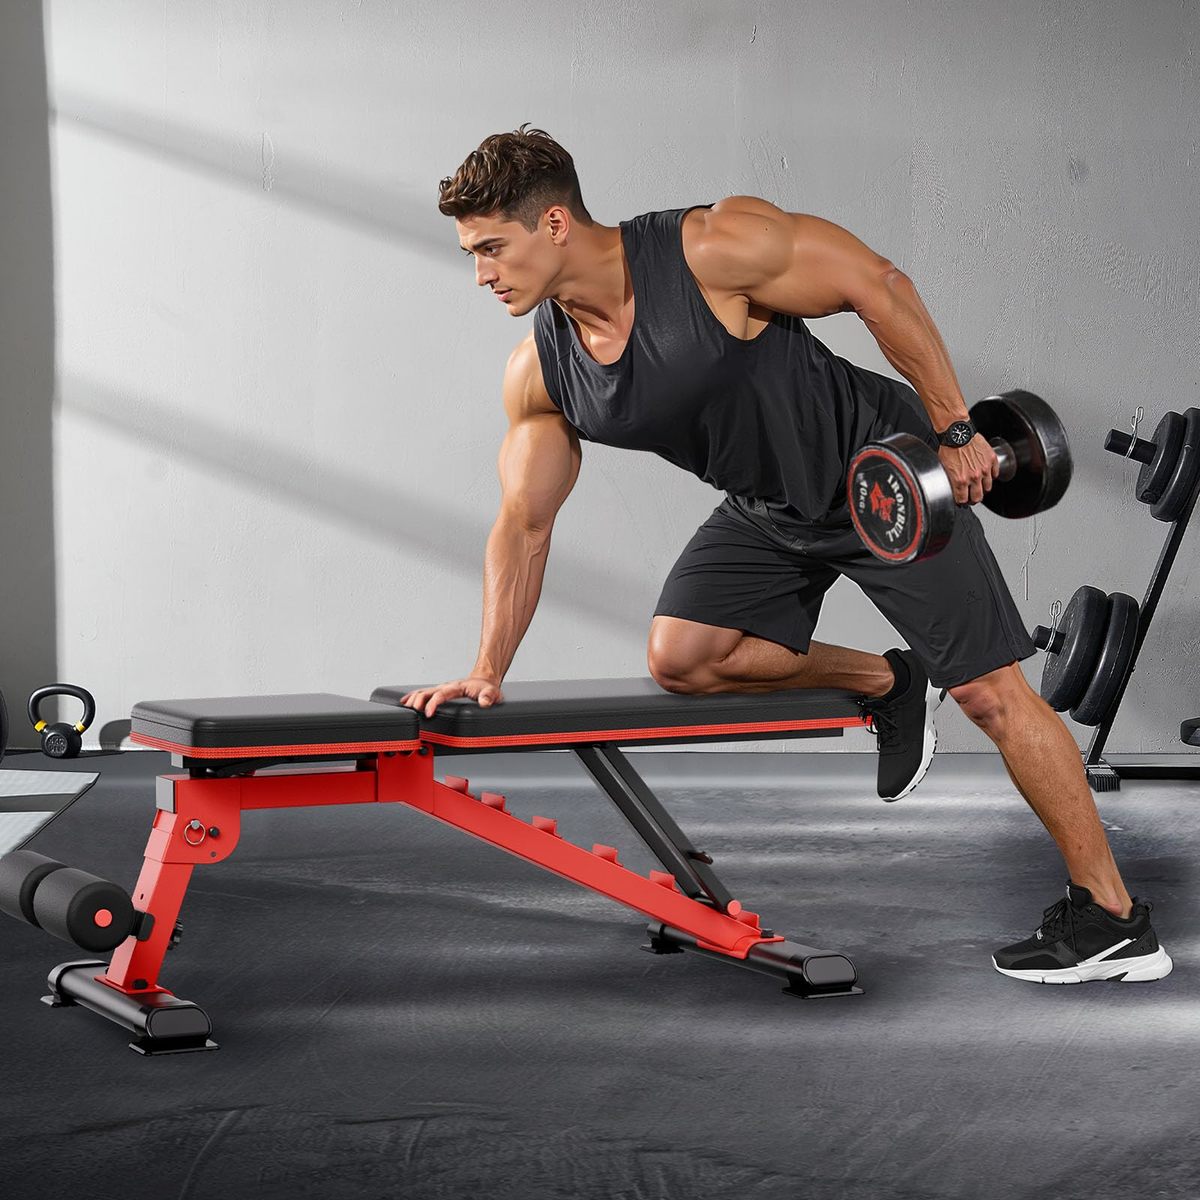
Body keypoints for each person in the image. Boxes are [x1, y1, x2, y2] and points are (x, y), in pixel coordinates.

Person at [403, 125, 1171, 986]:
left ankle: (1113, 920)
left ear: (552, 224)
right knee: (685, 656)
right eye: (472, 254)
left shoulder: (708, 250)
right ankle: (891, 681)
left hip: (884, 477)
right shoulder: (542, 371)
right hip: (770, 507)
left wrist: (955, 430)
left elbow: (877, 283)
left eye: (491, 249)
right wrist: (486, 668)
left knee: (991, 694)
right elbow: (524, 524)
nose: (481, 274)